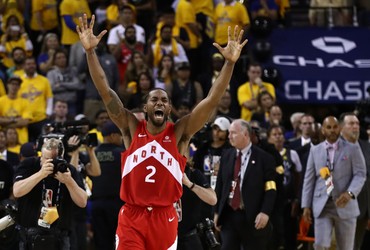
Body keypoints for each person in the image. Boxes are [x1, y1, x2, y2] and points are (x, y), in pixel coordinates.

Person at [77, 13, 247, 250]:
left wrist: (229, 64)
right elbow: (105, 90)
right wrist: (90, 52)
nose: (159, 102)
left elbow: (211, 100)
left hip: (164, 216)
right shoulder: (130, 128)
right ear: (145, 107)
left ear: (169, 108)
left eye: (164, 100)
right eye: (154, 99)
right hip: (132, 217)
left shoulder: (180, 133)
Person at [301, 116, 367, 250]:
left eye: (335, 127)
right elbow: (309, 179)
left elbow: (360, 174)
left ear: (340, 129)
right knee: (320, 245)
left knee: (346, 247)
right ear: (323, 130)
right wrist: (306, 205)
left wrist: (350, 193)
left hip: (345, 204)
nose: (332, 130)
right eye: (328, 127)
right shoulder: (315, 150)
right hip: (322, 205)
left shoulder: (353, 148)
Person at [13, 138, 87, 249]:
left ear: (61, 157)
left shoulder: (68, 170)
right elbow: (17, 191)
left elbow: (82, 202)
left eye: (54, 159)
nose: (51, 163)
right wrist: (40, 174)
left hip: (60, 236)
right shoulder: (29, 164)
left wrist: (69, 181)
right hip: (30, 234)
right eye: (47, 159)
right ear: (41, 155)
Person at [214, 119, 277, 250]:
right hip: (229, 214)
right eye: (229, 133)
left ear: (246, 135)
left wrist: (265, 212)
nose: (229, 136)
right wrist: (216, 212)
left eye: (233, 133)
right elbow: (220, 185)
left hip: (252, 216)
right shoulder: (226, 155)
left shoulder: (265, 158)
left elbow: (271, 189)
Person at [339, 112, 370, 250]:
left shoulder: (366, 146)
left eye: (357, 124)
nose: (355, 127)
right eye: (351, 123)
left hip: (363, 209)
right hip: (341, 207)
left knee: (355, 247)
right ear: (341, 127)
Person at [91, 121, 124, 250]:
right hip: (117, 204)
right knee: (119, 241)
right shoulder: (122, 154)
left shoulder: (93, 154)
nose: (121, 138)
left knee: (101, 242)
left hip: (97, 204)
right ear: (113, 135)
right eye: (120, 135)